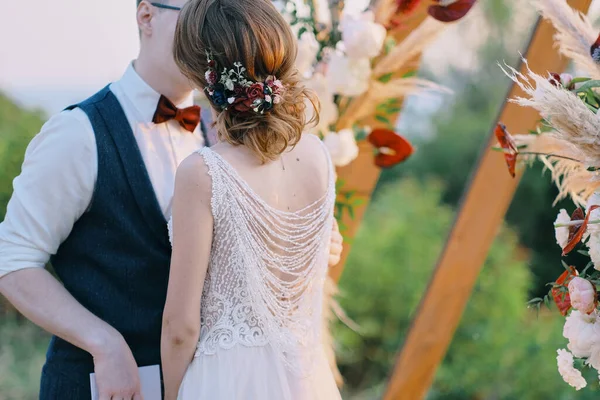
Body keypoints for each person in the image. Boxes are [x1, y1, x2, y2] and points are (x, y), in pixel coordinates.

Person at [0, 1, 343, 399]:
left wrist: (309, 243)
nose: (210, 24)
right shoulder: (76, 134)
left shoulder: (228, 136)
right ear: (147, 16)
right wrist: (101, 341)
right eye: (196, 8)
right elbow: (12, 258)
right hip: (102, 385)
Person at [161, 0, 343, 399]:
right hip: (306, 379)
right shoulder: (319, 157)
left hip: (225, 382)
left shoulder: (202, 172)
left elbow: (181, 327)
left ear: (200, 74)